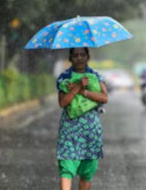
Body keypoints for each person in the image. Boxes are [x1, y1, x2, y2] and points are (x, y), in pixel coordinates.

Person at [56, 47, 108, 190]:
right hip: (69, 130)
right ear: (70, 58)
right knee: (66, 167)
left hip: (91, 130)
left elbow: (104, 97)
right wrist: (77, 86)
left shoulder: (95, 76)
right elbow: (62, 103)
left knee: (87, 171)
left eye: (82, 55)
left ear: (88, 57)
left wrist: (85, 91)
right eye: (75, 55)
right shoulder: (64, 77)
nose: (79, 58)